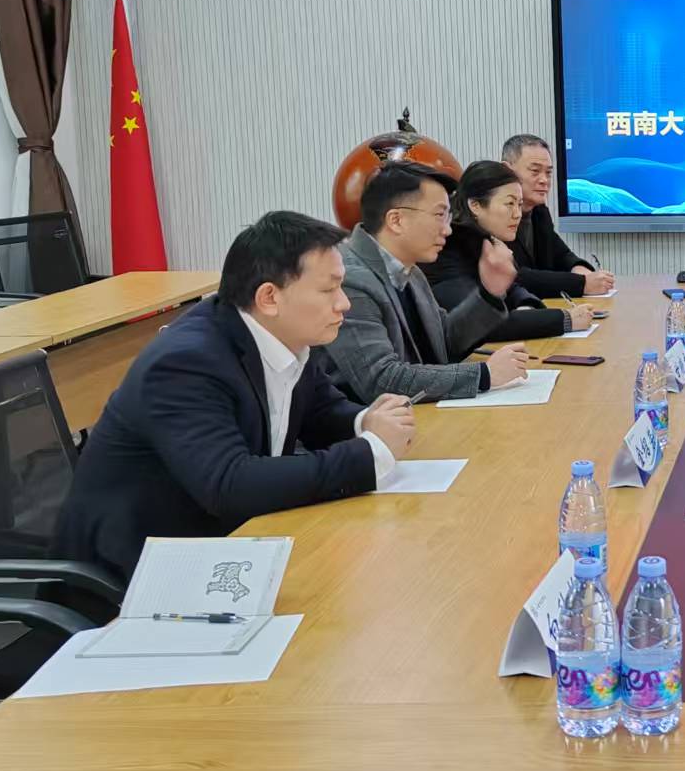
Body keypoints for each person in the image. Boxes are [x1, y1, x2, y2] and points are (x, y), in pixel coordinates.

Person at [54, 212, 419, 580]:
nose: (344, 303)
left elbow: (319, 411)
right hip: (135, 576)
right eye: (329, 290)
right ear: (269, 297)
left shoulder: (279, 334)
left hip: (223, 547)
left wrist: (365, 421)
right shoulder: (186, 363)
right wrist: (368, 454)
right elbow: (229, 484)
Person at [323, 162, 529, 403]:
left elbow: (445, 341)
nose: (448, 230)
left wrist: (489, 293)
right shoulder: (348, 279)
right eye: (440, 215)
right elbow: (381, 379)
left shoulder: (411, 270)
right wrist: (484, 375)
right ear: (396, 220)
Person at [424, 160, 594, 342]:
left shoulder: (487, 241)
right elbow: (480, 324)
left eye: (519, 204)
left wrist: (526, 307)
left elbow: (513, 288)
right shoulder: (447, 248)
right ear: (475, 205)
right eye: (509, 204)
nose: (517, 214)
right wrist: (566, 319)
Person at [501, 133, 615, 299]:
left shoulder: (539, 211)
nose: (544, 180)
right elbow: (515, 276)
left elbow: (561, 255)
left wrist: (581, 270)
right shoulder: (494, 215)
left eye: (548, 173)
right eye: (535, 171)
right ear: (507, 170)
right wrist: (582, 284)